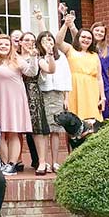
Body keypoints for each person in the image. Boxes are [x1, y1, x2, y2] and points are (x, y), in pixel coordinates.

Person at [0, 28, 32, 175]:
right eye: (0, 44)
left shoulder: (17, 60)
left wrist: (33, 57)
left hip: (14, 100)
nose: (3, 46)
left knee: (14, 132)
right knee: (0, 132)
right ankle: (4, 163)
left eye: (6, 44)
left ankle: (12, 163)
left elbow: (31, 72)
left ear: (11, 47)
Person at [56, 13, 105, 122]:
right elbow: (58, 42)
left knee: (92, 121)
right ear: (78, 38)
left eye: (89, 38)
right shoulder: (70, 49)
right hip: (74, 88)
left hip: (91, 90)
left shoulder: (95, 55)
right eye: (83, 37)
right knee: (75, 121)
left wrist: (102, 97)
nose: (86, 40)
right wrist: (66, 24)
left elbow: (99, 78)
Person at [36, 30, 70, 172]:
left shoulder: (61, 56)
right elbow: (47, 71)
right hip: (43, 93)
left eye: (50, 40)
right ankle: (44, 161)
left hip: (57, 94)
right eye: (44, 41)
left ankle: (55, 161)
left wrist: (66, 97)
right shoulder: (38, 57)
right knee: (45, 130)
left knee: (56, 129)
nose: (48, 43)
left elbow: (66, 76)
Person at [19, 32, 49, 175]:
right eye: (26, 40)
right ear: (20, 42)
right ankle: (16, 161)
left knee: (37, 128)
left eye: (32, 40)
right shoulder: (14, 57)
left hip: (32, 92)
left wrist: (34, 56)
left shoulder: (37, 57)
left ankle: (42, 161)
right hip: (17, 92)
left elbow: (38, 71)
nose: (29, 42)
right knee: (16, 129)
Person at [91, 21, 109, 120]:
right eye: (97, 30)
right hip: (89, 84)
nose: (99, 33)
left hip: (105, 86)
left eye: (102, 32)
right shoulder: (86, 48)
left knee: (104, 116)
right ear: (92, 31)